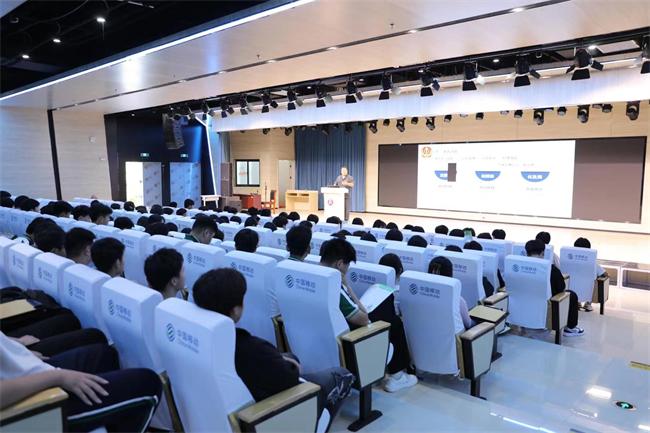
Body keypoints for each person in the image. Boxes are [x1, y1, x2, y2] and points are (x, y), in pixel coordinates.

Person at [193, 269, 354, 424]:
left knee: (290, 357)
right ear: (235, 311)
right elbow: (290, 377)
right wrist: (290, 367)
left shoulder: (205, 341)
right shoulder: (253, 349)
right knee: (342, 374)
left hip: (243, 396)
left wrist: (281, 360)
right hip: (269, 412)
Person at [0, 332, 162, 433]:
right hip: (28, 408)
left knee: (103, 354)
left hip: (28, 374)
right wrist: (59, 377)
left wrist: (14, 347)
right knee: (147, 383)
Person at [320, 239, 416, 392]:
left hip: (325, 338)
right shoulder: (334, 287)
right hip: (351, 342)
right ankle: (398, 376)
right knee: (394, 321)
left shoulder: (314, 276)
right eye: (347, 265)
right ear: (339, 264)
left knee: (385, 307)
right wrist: (347, 286)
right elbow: (363, 318)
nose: (347, 270)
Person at [525, 240, 583, 336]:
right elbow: (561, 288)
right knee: (571, 295)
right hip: (547, 310)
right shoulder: (551, 269)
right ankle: (570, 328)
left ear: (526, 253)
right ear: (543, 253)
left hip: (524, 309)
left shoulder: (518, 268)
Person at [428, 256, 473, 330]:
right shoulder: (458, 300)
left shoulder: (419, 296)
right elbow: (468, 324)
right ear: (450, 275)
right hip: (455, 337)